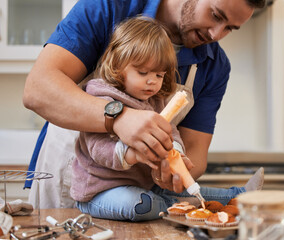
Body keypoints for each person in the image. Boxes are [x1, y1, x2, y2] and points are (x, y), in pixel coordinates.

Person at [24, 0, 266, 209]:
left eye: (229, 29)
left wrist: (173, 172)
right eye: (216, 15)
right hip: (72, 181)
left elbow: (195, 150)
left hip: (141, 193)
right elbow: (38, 89)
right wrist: (118, 118)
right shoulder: (110, 7)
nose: (215, 34)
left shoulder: (214, 66)